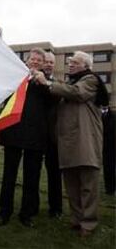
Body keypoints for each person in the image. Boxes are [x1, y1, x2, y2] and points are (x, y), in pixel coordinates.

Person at [34, 51, 109, 237]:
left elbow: (76, 93)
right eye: (70, 62)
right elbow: (63, 89)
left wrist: (48, 82)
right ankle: (76, 220)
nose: (70, 65)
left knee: (88, 187)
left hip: (86, 143)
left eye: (74, 62)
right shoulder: (70, 82)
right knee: (72, 186)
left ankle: (88, 224)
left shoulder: (90, 80)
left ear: (85, 65)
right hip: (68, 144)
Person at [0, 48, 49, 227]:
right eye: (32, 59)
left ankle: (26, 214)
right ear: (26, 61)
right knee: (9, 176)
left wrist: (44, 82)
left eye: (38, 60)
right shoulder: (15, 79)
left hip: (36, 137)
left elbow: (53, 102)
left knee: (32, 178)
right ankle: (4, 212)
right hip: (14, 134)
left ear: (43, 64)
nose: (35, 62)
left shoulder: (48, 82)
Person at [42, 52, 62, 218]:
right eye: (46, 62)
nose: (48, 64)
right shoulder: (32, 83)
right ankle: (31, 206)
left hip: (52, 138)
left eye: (51, 62)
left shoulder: (58, 84)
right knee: (32, 173)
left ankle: (56, 208)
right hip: (35, 135)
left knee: (54, 174)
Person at [102, 106, 115, 196]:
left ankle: (111, 188)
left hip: (111, 141)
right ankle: (109, 188)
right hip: (105, 143)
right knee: (108, 166)